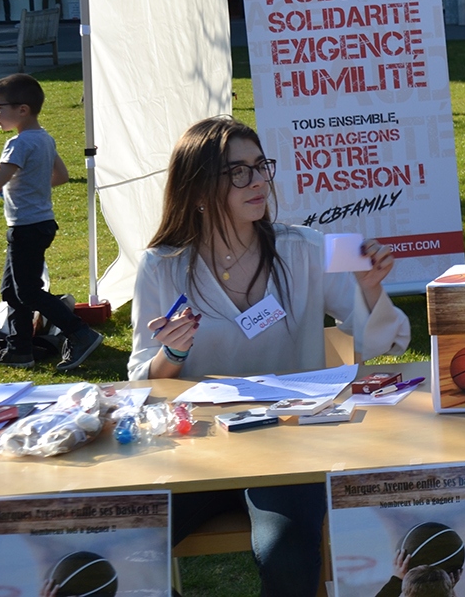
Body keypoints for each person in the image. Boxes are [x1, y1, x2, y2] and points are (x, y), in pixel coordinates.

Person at [128, 117, 411, 594]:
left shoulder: (310, 246)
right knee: (127, 547)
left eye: (261, 167)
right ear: (197, 189)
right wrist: (173, 352)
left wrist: (368, 291)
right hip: (198, 451)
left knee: (288, 556)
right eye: (238, 172)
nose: (258, 181)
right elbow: (143, 379)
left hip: (289, 447)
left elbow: (390, 341)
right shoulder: (161, 265)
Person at [0, 73, 99, 371]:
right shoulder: (44, 137)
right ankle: (20, 349)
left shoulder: (18, 143)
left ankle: (80, 333)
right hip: (40, 224)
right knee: (12, 292)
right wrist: (25, 186)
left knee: (28, 292)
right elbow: (59, 177)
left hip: (26, 228)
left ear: (22, 109)